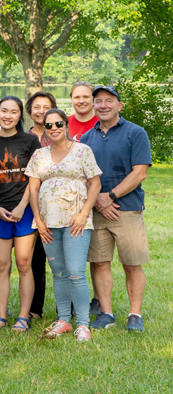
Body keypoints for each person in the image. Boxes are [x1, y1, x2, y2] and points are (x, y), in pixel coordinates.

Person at [26, 108, 102, 341]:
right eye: (49, 125)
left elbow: (95, 184)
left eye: (58, 124)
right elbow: (33, 188)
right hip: (48, 223)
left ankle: (82, 324)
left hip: (75, 222)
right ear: (44, 129)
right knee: (58, 272)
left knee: (76, 272)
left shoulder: (82, 151)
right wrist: (38, 220)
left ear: (66, 125)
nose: (54, 128)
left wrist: (83, 214)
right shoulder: (39, 155)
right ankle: (63, 321)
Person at [82, 85, 151, 332]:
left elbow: (140, 172)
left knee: (132, 263)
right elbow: (84, 176)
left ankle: (135, 315)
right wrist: (98, 202)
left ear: (119, 106)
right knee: (99, 263)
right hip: (97, 212)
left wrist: (109, 196)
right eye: (98, 101)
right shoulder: (87, 138)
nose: (103, 105)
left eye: (109, 100)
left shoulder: (136, 133)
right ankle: (107, 313)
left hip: (127, 209)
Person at [0, 96, 41, 332]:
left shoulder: (30, 141)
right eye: (3, 111)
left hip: (25, 211)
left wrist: (21, 206)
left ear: (20, 115)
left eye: (13, 112)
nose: (8, 116)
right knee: (1, 264)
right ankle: (1, 316)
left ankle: (24, 316)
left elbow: (35, 178)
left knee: (24, 263)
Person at [24, 91, 56, 319]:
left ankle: (70, 309)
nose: (41, 110)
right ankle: (35, 309)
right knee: (36, 260)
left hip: (58, 206)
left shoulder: (61, 135)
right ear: (29, 110)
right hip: (31, 205)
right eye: (37, 106)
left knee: (61, 260)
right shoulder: (24, 138)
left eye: (46, 106)